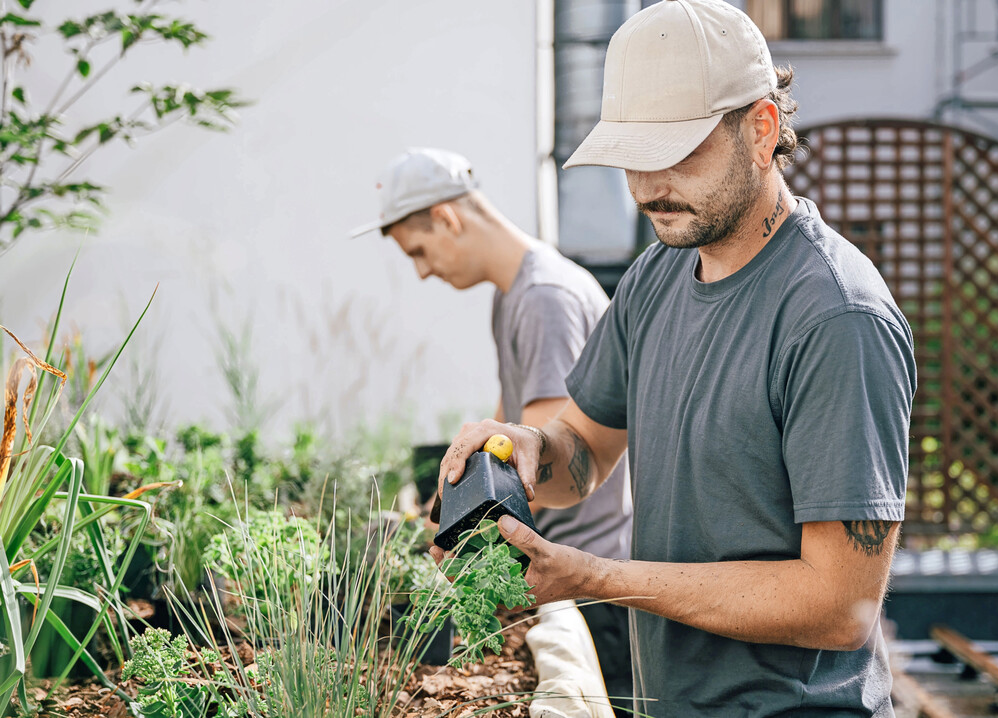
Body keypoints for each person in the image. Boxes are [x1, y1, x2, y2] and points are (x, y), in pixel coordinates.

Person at [434, 1, 917, 716]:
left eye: (677, 151)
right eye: (632, 155)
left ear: (761, 129)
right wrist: (527, 451)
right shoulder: (657, 273)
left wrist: (594, 576)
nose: (646, 186)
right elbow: (584, 455)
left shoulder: (836, 317)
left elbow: (838, 606)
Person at [350, 147, 635, 713]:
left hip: (587, 585)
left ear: (448, 219)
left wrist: (451, 544)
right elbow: (503, 436)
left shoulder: (542, 298)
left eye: (420, 251)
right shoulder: (515, 296)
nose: (424, 270)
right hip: (567, 577)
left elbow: (532, 476)